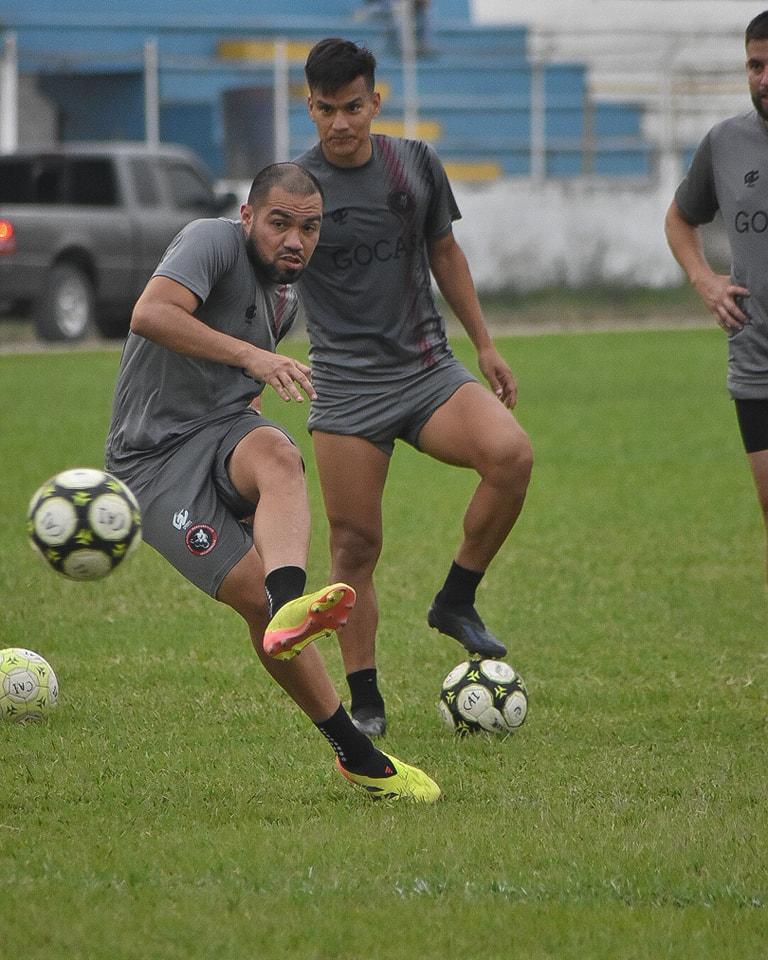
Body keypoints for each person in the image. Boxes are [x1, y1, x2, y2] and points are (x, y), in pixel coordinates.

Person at [104, 162, 440, 802]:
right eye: (281, 223)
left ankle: (293, 599)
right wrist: (254, 356)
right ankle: (355, 752)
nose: (296, 240)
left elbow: (235, 389)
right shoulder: (209, 240)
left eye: (309, 228)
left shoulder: (285, 294)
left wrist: (253, 392)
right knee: (250, 602)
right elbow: (150, 314)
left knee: (280, 455)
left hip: (220, 431)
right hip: (150, 466)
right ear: (248, 217)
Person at [295, 39, 534, 737]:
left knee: (511, 456)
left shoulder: (415, 164)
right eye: (326, 109)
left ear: (378, 100)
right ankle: (364, 698)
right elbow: (268, 277)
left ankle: (456, 598)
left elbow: (444, 252)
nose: (341, 123)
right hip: (345, 389)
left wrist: (485, 345)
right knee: (354, 547)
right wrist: (252, 365)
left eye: (354, 106)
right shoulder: (293, 186)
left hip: (428, 371)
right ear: (308, 106)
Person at [665, 10, 768, 583]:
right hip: (757, 359)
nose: (763, 79)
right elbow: (681, 219)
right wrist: (705, 280)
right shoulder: (726, 144)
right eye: (755, 65)